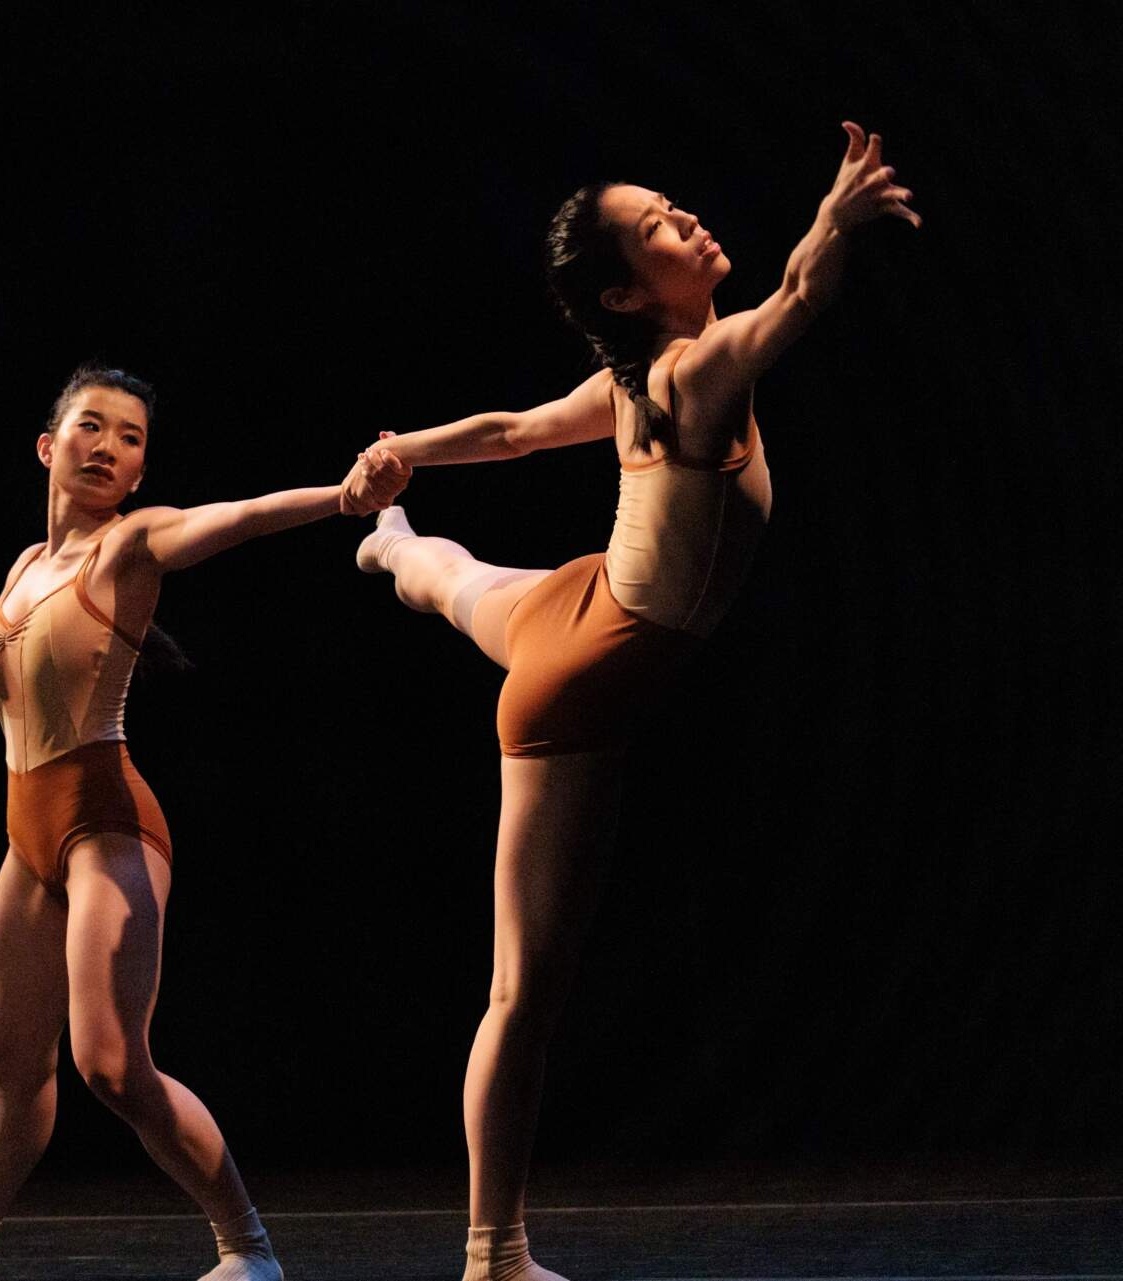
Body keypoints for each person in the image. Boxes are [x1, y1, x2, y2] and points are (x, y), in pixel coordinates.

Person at [341, 122, 919, 1280]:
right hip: (583, 683)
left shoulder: (632, 381)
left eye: (672, 205)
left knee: (449, 579)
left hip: (586, 603)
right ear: (625, 289)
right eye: (660, 226)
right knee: (525, 987)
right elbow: (801, 294)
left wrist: (400, 454)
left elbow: (509, 434)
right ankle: (490, 1251)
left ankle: (387, 545)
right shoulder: (690, 372)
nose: (689, 220)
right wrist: (834, 217)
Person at [0, 364, 408, 1281]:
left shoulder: (131, 544)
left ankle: (249, 1248)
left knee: (110, 1064)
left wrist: (344, 498)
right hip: (27, 834)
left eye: (131, 437)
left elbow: (237, 515)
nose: (108, 446)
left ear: (142, 471)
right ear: (48, 445)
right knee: (14, 1064)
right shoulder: (27, 568)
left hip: (106, 822)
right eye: (90, 426)